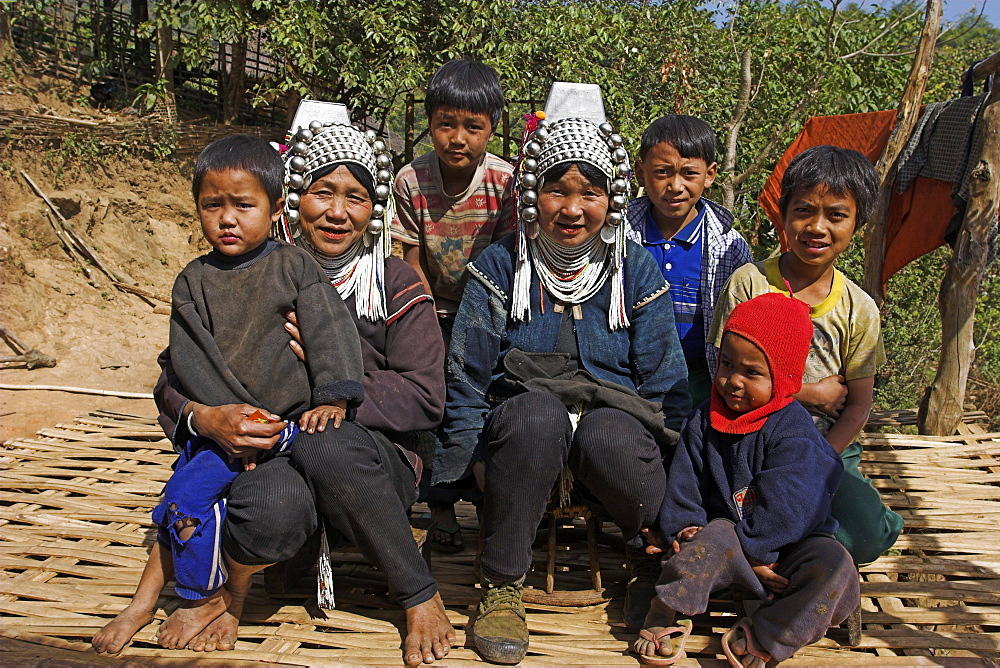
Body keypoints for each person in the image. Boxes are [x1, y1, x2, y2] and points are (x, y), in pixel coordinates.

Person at [97, 115, 455, 666]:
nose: (337, 211)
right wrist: (208, 417)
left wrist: (330, 381)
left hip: (370, 462)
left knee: (325, 440)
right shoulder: (238, 272)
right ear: (293, 200)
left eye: (355, 197)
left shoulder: (394, 281)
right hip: (272, 444)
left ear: (373, 206)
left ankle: (417, 592)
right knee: (269, 504)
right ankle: (230, 592)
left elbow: (426, 398)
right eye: (322, 193)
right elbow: (176, 373)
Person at [436, 82, 690, 664]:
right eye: (557, 189)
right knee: (533, 414)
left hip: (611, 430)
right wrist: (469, 461)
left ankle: (647, 559)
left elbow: (664, 384)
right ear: (534, 195)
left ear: (612, 199)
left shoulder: (636, 269)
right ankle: (501, 584)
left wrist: (672, 472)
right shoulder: (501, 266)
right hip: (522, 438)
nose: (572, 209)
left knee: (611, 430)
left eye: (590, 192)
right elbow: (468, 377)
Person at [93, 134, 364, 653]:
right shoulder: (192, 282)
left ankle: (205, 599)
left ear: (275, 207)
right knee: (181, 502)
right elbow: (189, 359)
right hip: (227, 429)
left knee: (207, 503)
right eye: (212, 205)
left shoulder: (294, 267)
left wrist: (334, 397)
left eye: (244, 205)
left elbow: (331, 332)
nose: (227, 219)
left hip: (285, 429)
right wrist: (224, 421)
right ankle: (153, 602)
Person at [633, 292, 859, 667]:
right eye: (726, 364)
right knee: (712, 535)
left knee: (836, 566)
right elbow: (684, 483)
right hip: (724, 544)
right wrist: (685, 527)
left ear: (785, 378)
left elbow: (789, 511)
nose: (732, 381)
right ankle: (666, 610)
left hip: (787, 549)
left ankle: (766, 634)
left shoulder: (795, 434)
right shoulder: (703, 419)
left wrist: (757, 553)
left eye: (752, 373)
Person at [709, 145, 903, 565]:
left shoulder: (859, 309)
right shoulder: (750, 283)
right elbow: (721, 375)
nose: (817, 227)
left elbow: (858, 405)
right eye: (804, 211)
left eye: (836, 215)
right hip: (746, 433)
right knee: (735, 513)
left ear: (857, 223)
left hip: (822, 441)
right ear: (783, 213)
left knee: (865, 537)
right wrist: (809, 393)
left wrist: (818, 462)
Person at [390, 59, 515, 554]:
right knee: (432, 398)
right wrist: (427, 318)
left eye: (472, 127)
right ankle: (440, 503)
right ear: (430, 123)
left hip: (489, 308)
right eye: (446, 124)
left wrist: (477, 318)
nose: (458, 138)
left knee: (486, 398)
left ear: (492, 128)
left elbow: (504, 258)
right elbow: (412, 258)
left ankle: (486, 498)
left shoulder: (505, 183)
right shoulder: (410, 182)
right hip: (430, 306)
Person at [626, 115, 751, 405]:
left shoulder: (729, 248)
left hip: (701, 380)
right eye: (662, 172)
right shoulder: (617, 236)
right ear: (640, 172)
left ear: (710, 174)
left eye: (689, 174)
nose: (675, 186)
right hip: (629, 376)